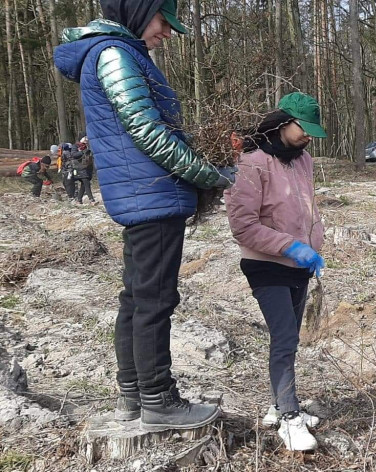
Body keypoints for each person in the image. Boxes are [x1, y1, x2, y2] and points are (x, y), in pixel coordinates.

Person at [55, 0, 235, 431]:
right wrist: (207, 174)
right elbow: (147, 130)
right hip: (151, 194)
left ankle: (132, 396)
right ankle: (159, 400)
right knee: (155, 301)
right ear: (137, 13)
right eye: (162, 21)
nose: (167, 32)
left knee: (137, 298)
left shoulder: (116, 52)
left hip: (143, 194)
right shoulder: (115, 53)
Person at [225, 92, 327, 452]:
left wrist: (315, 243)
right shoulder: (251, 164)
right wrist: (290, 246)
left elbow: (307, 208)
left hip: (300, 265)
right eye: (304, 129)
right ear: (284, 123)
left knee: (290, 340)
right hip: (266, 264)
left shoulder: (304, 161)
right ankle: (288, 417)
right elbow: (243, 226)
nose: (309, 136)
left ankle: (279, 403)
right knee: (284, 337)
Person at [72, 138, 97, 204]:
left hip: (87, 168)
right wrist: (82, 152)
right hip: (79, 168)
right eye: (84, 138)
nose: (86, 139)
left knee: (84, 184)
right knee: (86, 183)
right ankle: (91, 200)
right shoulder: (75, 146)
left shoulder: (88, 146)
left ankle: (79, 200)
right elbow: (74, 155)